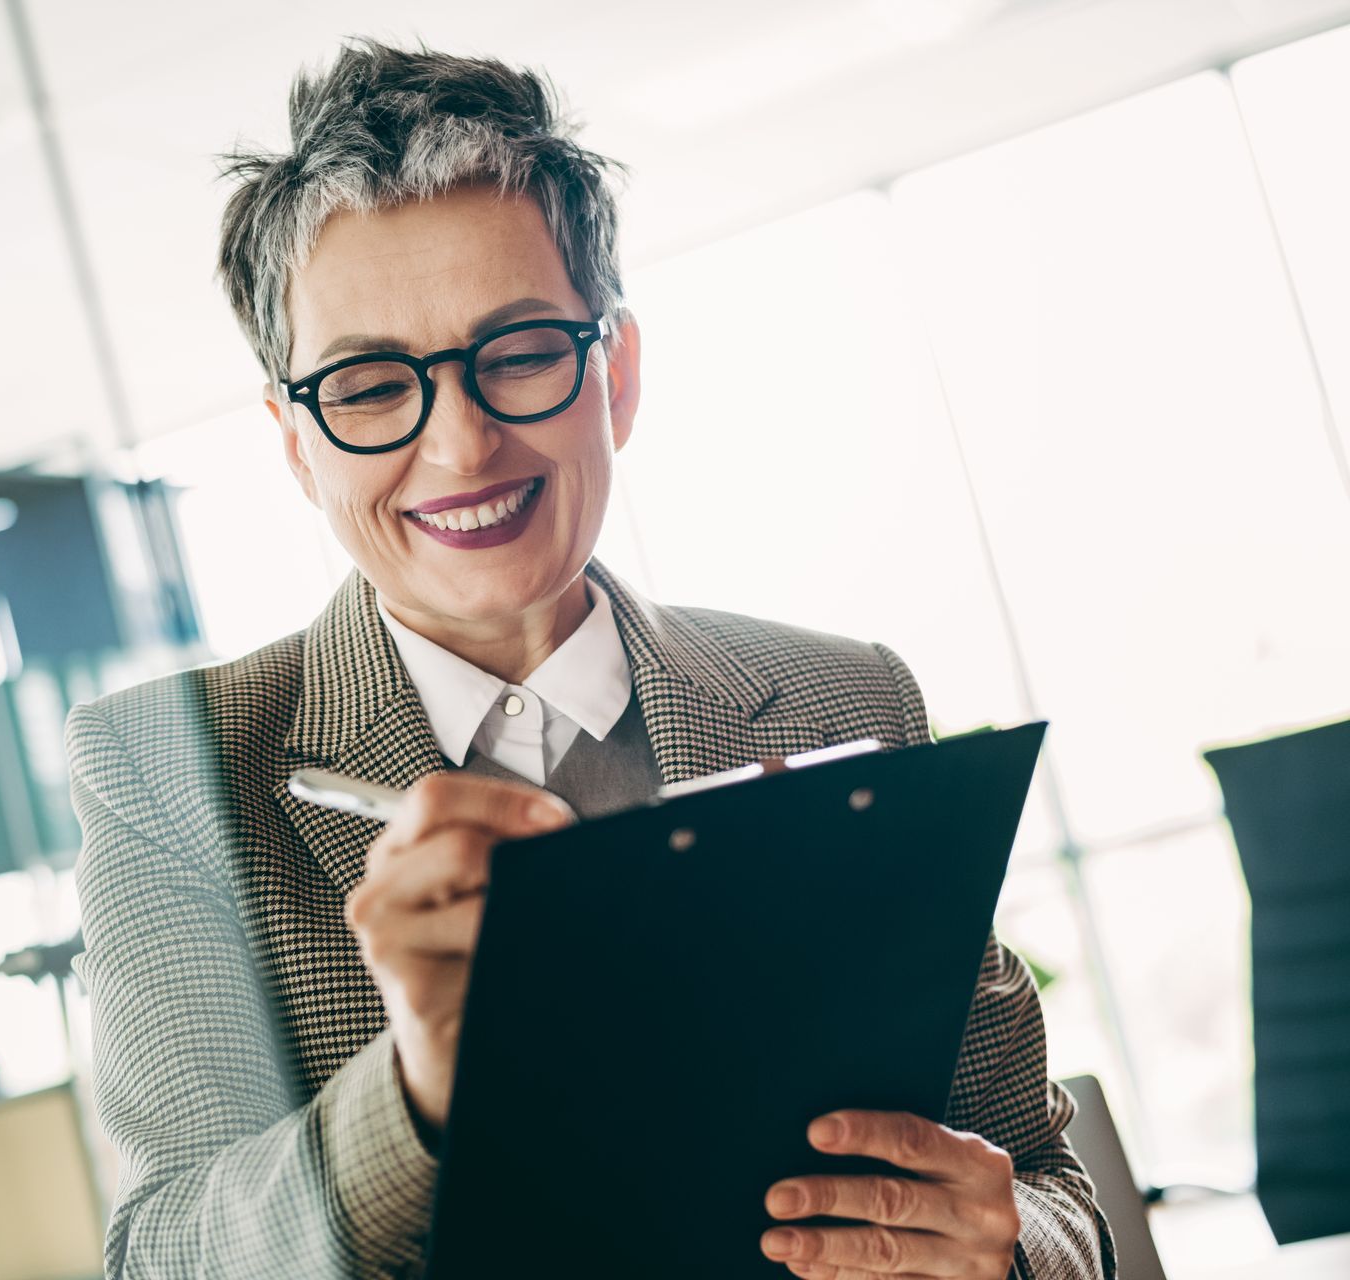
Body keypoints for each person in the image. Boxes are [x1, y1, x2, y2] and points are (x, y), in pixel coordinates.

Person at [65, 36, 1116, 1280]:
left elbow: (1044, 1182)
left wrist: (1008, 1249)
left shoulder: (851, 695)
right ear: (299, 445)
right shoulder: (173, 771)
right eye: (365, 384)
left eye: (516, 353)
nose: (459, 447)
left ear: (613, 373)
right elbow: (166, 1255)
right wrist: (417, 1090)